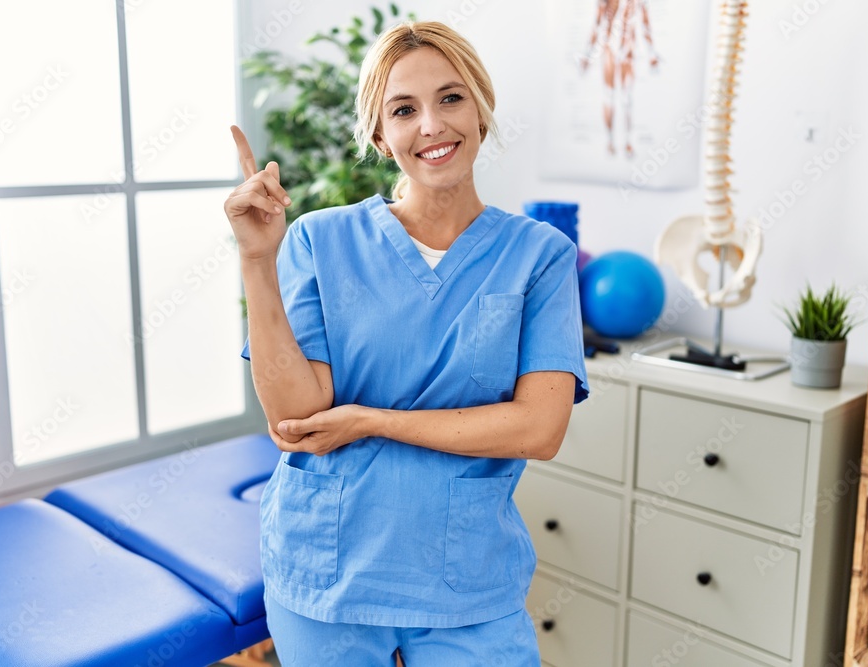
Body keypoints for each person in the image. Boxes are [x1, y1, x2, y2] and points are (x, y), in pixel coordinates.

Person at [224, 20, 589, 666]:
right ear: (378, 135)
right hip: (329, 574)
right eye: (403, 109)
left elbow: (539, 427)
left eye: (450, 98)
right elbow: (297, 418)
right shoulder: (318, 240)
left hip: (469, 582)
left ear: (481, 107)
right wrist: (258, 260)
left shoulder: (539, 256)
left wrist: (372, 420)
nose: (432, 125)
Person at [579, 0, 659, 158]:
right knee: (609, 95)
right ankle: (610, 140)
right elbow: (597, 23)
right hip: (609, 49)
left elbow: (645, 22)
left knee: (627, 97)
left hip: (627, 51)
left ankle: (628, 141)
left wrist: (651, 53)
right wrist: (588, 54)